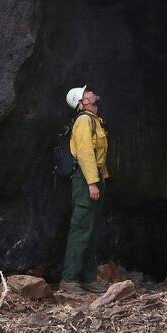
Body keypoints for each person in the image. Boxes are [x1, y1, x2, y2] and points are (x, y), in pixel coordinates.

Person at [60, 84, 109, 294]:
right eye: (86, 93)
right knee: (80, 229)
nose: (91, 93)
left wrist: (100, 180)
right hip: (85, 179)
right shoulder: (83, 121)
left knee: (92, 231)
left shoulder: (94, 120)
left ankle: (88, 278)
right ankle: (69, 280)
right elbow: (85, 153)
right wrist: (91, 182)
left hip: (95, 178)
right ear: (83, 101)